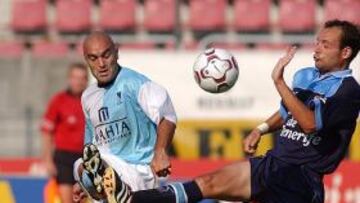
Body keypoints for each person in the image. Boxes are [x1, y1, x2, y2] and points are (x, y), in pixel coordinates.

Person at [107, 19, 360, 203]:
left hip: (300, 180)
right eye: (317, 42)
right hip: (272, 164)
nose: (316, 48)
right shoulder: (306, 76)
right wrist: (260, 129)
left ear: (345, 52)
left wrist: (279, 83)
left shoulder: (347, 91)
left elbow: (310, 124)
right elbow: (288, 112)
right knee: (207, 184)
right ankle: (130, 199)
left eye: (325, 45)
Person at [72, 31, 177, 202]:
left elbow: (168, 116)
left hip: (138, 171)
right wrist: (85, 182)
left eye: (106, 55)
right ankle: (99, 181)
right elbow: (92, 145)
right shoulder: (88, 96)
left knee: (89, 164)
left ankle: (108, 181)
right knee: (79, 165)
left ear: (116, 52)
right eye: (93, 58)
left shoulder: (136, 84)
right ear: (86, 60)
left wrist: (160, 152)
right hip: (107, 176)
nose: (101, 64)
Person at [41, 63, 89, 203]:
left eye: (82, 78)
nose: (78, 81)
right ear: (69, 79)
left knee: (82, 200)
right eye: (75, 77)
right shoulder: (58, 100)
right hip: (64, 158)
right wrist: (48, 160)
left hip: (86, 158)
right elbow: (46, 132)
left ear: (86, 80)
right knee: (68, 200)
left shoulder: (91, 100)